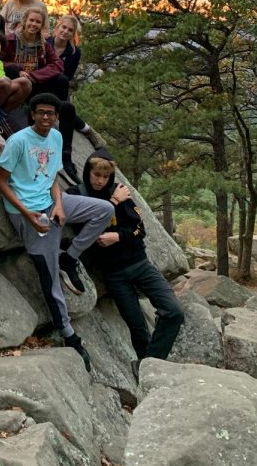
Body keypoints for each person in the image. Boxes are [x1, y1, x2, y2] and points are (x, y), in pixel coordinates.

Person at [0, 94, 115, 371]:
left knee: (104, 210)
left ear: (57, 116)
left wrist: (59, 204)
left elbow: (51, 177)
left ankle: (70, 257)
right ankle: (69, 333)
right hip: (29, 212)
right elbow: (1, 182)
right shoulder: (19, 141)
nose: (46, 118)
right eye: (41, 113)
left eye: (50, 113)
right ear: (32, 114)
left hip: (52, 203)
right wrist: (29, 217)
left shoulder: (56, 137)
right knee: (49, 277)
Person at [72, 149, 184, 367]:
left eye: (105, 176)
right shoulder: (78, 194)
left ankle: (150, 364)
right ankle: (146, 367)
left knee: (173, 312)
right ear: (88, 172)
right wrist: (113, 202)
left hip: (140, 265)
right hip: (113, 274)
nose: (100, 181)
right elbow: (84, 228)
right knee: (137, 326)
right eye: (96, 175)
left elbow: (139, 229)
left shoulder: (121, 191)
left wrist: (118, 236)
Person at [2, 6, 81, 183]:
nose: (34, 24)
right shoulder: (10, 40)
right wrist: (18, 70)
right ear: (25, 21)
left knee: (66, 102)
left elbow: (58, 65)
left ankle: (65, 157)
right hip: (17, 86)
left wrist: (34, 75)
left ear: (42, 24)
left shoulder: (44, 44)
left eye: (38, 22)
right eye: (31, 20)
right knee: (34, 83)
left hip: (35, 86)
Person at [51, 13, 105, 149]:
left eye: (70, 30)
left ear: (73, 34)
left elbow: (68, 76)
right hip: (42, 82)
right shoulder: (46, 43)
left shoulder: (74, 52)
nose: (65, 32)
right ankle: (86, 129)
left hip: (59, 86)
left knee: (64, 107)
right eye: (63, 27)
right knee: (62, 106)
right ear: (57, 27)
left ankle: (87, 133)